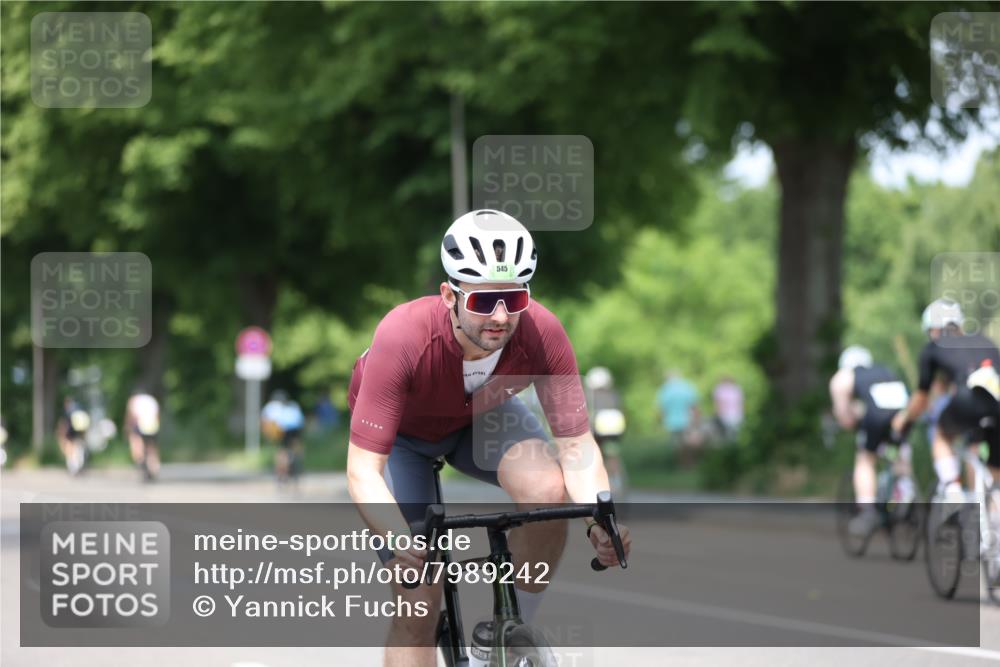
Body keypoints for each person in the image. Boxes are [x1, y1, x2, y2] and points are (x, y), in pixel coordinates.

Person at [346, 209, 631, 667]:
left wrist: (599, 519)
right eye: (482, 302)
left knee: (548, 490)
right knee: (419, 598)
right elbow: (363, 469)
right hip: (403, 437)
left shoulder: (542, 332)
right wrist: (402, 540)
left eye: (514, 299)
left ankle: (508, 633)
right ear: (449, 295)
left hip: (479, 417)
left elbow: (577, 446)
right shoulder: (402, 335)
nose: (500, 316)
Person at [892, 299, 1000, 501]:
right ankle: (992, 522)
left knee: (942, 435)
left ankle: (953, 491)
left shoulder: (933, 347)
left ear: (933, 329)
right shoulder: (985, 341)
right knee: (993, 473)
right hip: (996, 406)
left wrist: (905, 419)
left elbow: (921, 399)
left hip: (967, 399)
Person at [828, 345, 912, 536]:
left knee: (865, 459)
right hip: (903, 414)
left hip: (876, 416)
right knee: (899, 453)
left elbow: (844, 417)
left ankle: (867, 511)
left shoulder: (844, 376)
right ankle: (904, 490)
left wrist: (853, 423)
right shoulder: (884, 369)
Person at [584, 366, 627, 496]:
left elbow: (587, 416)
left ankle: (601, 482)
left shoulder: (589, 396)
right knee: (613, 454)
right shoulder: (614, 394)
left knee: (597, 454)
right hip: (615, 431)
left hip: (598, 430)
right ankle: (617, 481)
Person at [261, 390, 305, 482]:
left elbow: (265, 421)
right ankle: (298, 463)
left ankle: (283, 470)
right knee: (296, 446)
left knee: (282, 451)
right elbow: (300, 421)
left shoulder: (271, 407)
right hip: (294, 430)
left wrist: (267, 434)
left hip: (281, 430)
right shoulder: (293, 405)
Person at [656, 370, 699, 461]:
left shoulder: (665, 389)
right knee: (688, 443)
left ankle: (683, 464)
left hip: (672, 422)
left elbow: (662, 409)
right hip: (687, 420)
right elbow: (694, 406)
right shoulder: (687, 387)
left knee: (678, 445)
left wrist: (660, 421)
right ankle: (690, 463)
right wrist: (696, 419)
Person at [124, 388, 161, 481]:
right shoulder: (152, 400)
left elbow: (131, 415)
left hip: (140, 424)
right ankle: (154, 467)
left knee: (136, 442)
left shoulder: (134, 400)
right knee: (151, 447)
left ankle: (141, 462)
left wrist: (128, 427)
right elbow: (157, 415)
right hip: (152, 425)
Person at [56, 396, 90, 474]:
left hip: (71, 431)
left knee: (70, 448)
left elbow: (65, 423)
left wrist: (62, 434)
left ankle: (73, 466)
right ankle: (79, 465)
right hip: (80, 431)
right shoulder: (80, 408)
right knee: (79, 447)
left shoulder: (68, 411)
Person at [712, 376, 744, 441]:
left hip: (728, 415)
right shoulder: (737, 389)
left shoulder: (720, 389)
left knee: (726, 436)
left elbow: (717, 403)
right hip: (733, 415)